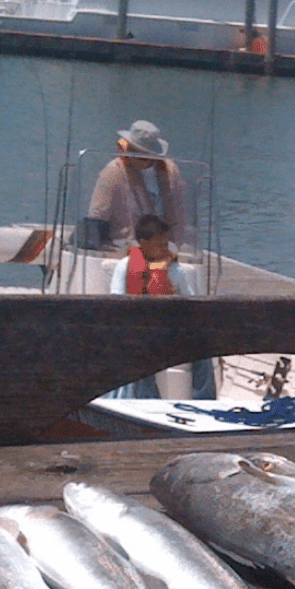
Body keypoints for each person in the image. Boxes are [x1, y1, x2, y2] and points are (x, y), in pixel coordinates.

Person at [108, 215, 214, 400]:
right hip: (139, 331)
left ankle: (203, 400)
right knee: (138, 350)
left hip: (170, 332)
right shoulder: (124, 267)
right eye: (160, 244)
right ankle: (143, 401)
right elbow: (116, 306)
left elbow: (192, 302)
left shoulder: (175, 270)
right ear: (144, 243)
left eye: (167, 243)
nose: (166, 248)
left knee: (205, 352)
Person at [82, 119, 192, 250]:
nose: (138, 156)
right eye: (134, 151)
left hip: (165, 244)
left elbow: (179, 213)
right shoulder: (112, 172)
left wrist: (178, 243)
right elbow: (97, 216)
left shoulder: (170, 170)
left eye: (145, 154)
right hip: (127, 244)